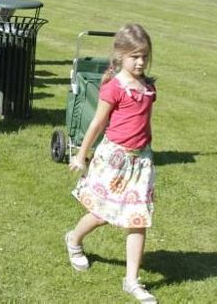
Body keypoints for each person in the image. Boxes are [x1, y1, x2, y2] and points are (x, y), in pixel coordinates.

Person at [66, 24, 158, 303]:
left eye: (144, 56)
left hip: (140, 162)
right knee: (103, 213)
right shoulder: (114, 87)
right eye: (135, 57)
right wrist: (81, 155)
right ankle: (73, 239)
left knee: (137, 219)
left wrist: (145, 151)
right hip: (114, 160)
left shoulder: (148, 87)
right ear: (120, 56)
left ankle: (131, 280)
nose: (140, 62)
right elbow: (98, 123)